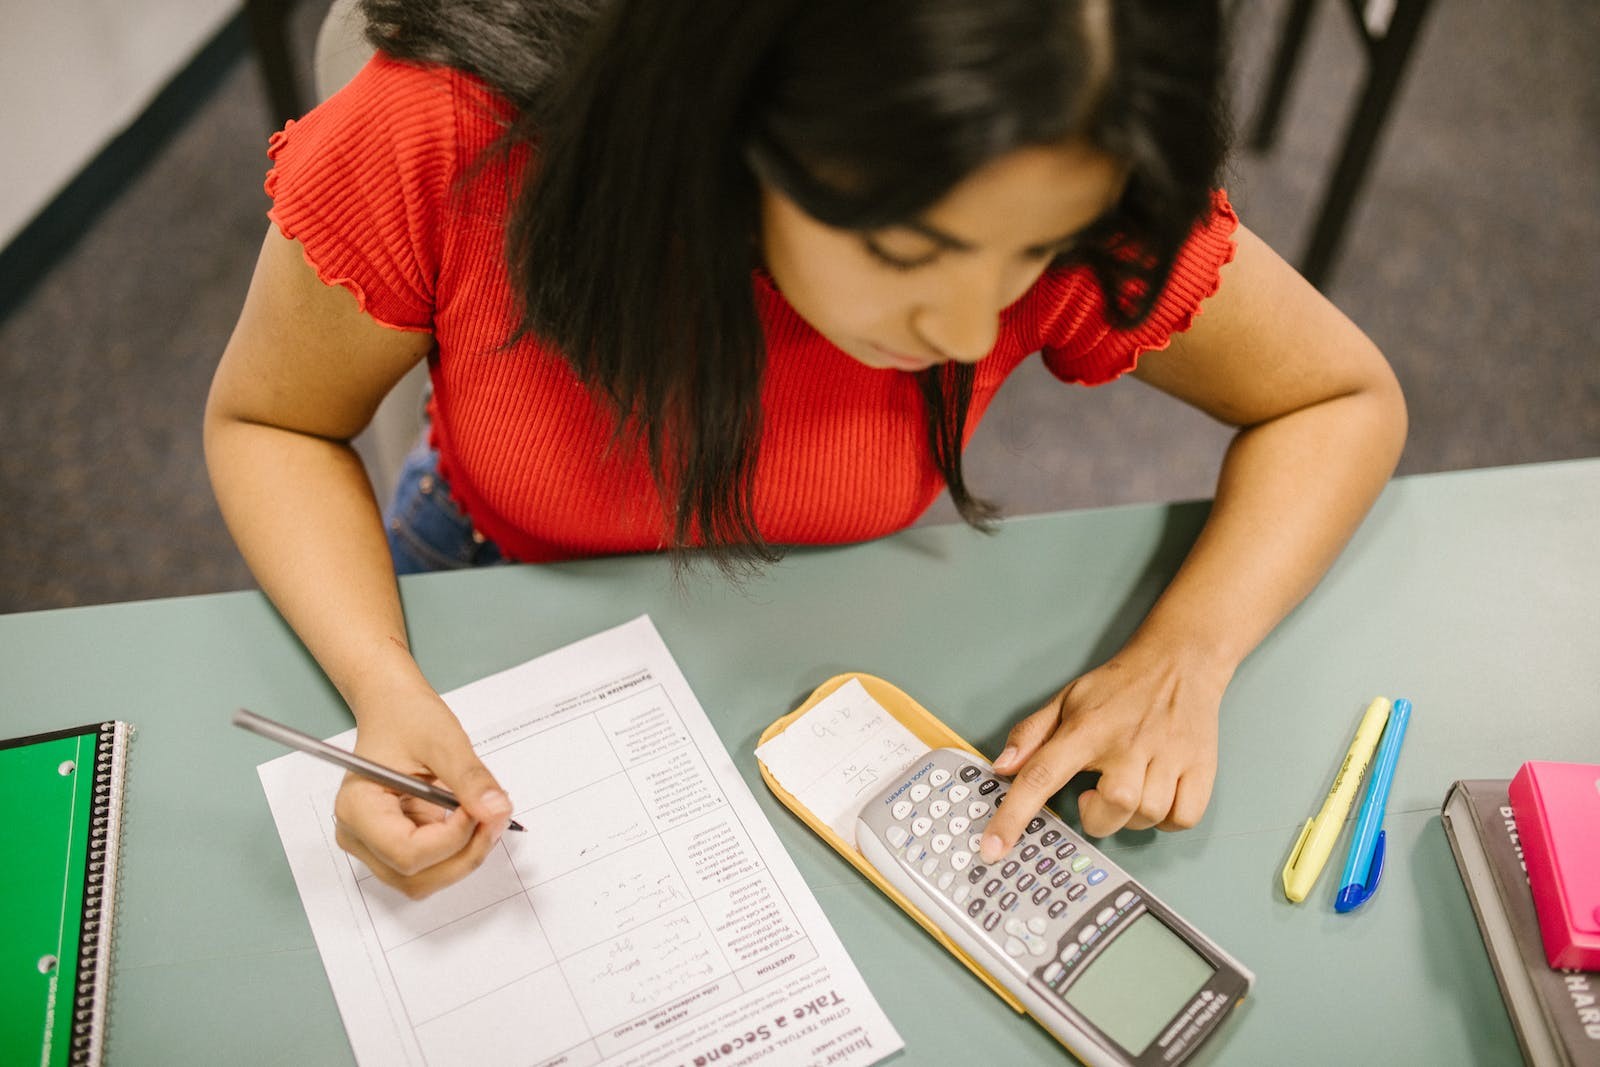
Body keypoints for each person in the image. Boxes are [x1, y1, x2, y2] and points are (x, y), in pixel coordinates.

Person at [205, 0, 1407, 899]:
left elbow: (1337, 398)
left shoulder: (1064, 134)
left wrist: (1187, 654)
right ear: (740, 126)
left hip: (817, 643)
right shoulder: (442, 133)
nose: (972, 329)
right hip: (482, 573)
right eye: (910, 251)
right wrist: (381, 681)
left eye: (1033, 251)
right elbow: (273, 420)